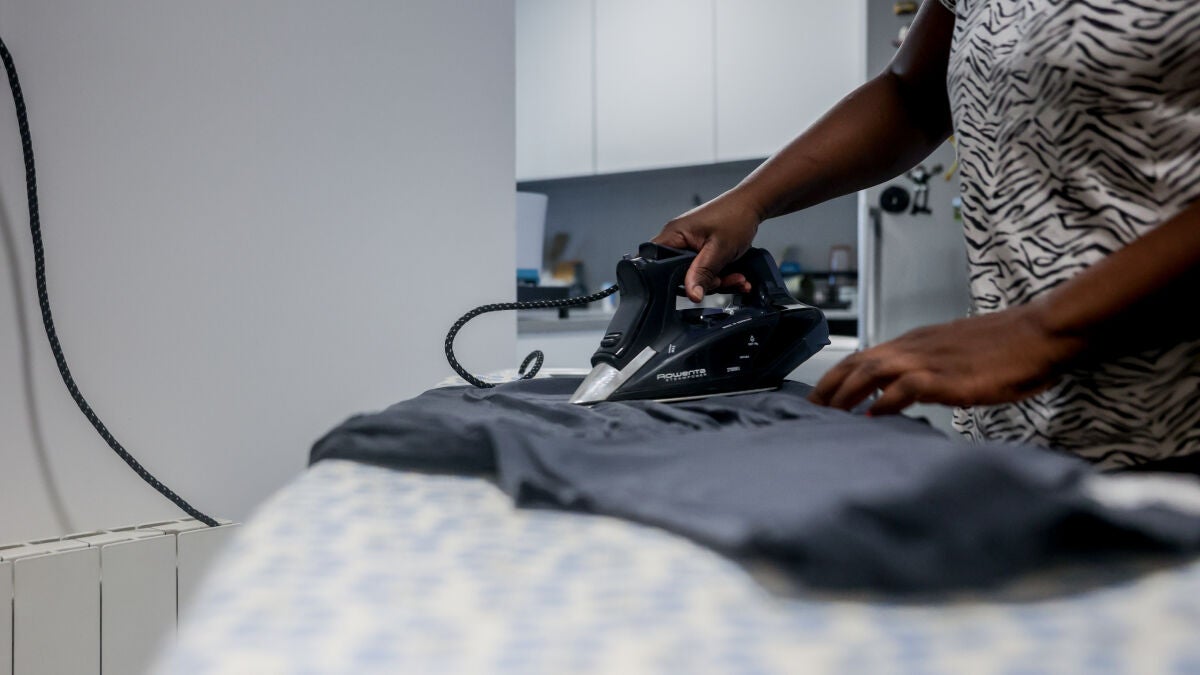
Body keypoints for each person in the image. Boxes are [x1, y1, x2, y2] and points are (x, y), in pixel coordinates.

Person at [653, 0, 1199, 469]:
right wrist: (751, 200)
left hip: (1169, 421)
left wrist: (1047, 329)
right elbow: (911, 93)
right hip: (1013, 426)